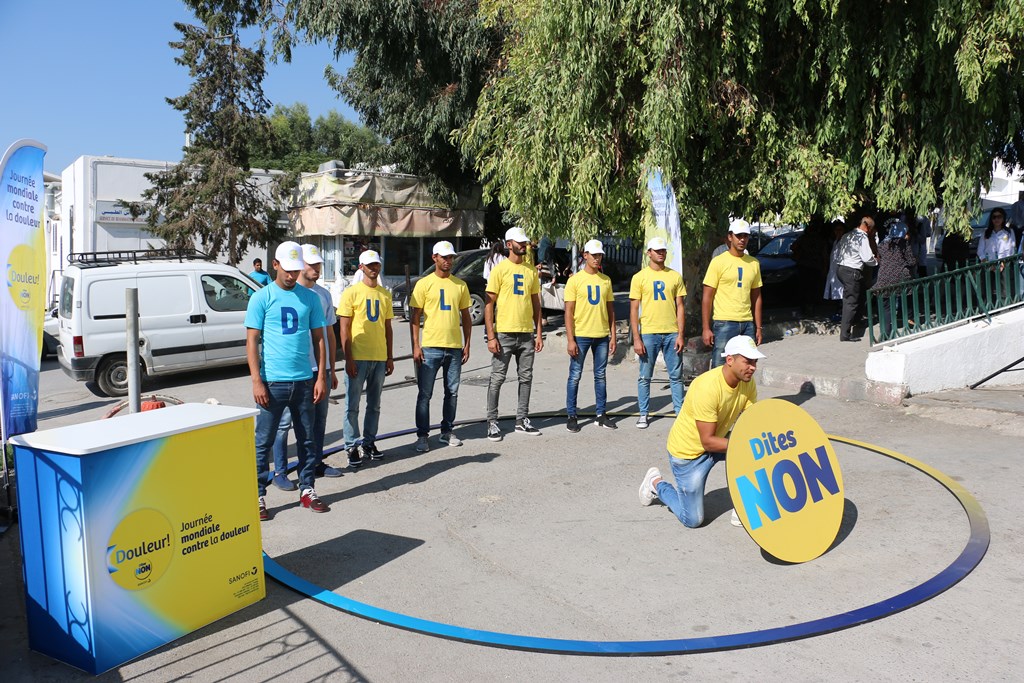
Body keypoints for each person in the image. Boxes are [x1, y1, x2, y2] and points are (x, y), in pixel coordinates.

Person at [638, 335, 764, 528]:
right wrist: (744, 444)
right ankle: (656, 484)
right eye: (747, 361)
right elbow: (707, 441)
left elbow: (752, 422)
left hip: (717, 441)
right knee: (693, 520)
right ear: (730, 360)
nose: (753, 367)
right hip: (688, 455)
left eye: (754, 361)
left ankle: (744, 507)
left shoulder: (747, 382)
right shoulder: (707, 387)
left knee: (758, 447)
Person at [245, 241, 329, 520]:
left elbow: (319, 339)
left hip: (304, 381)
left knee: (307, 439)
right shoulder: (261, 298)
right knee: (263, 440)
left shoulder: (310, 299)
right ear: (275, 265)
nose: (292, 276)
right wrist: (257, 381)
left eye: (296, 270)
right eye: (287, 270)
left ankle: (307, 489)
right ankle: (258, 494)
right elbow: (252, 341)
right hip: (272, 383)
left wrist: (321, 376)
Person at [270, 244, 343, 490]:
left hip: (318, 369)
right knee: (285, 423)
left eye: (318, 264)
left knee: (318, 420)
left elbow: (329, 335)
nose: (316, 268)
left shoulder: (322, 295)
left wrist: (330, 369)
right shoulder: (289, 292)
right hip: (295, 371)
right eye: (312, 264)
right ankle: (280, 470)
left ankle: (313, 463)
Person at [411, 240, 473, 452]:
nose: (448, 261)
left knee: (452, 392)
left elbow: (466, 316)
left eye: (451, 257)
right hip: (430, 346)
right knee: (425, 394)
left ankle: (447, 431)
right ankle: (422, 435)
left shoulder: (460, 285)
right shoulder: (424, 284)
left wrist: (467, 344)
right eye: (444, 257)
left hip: (454, 346)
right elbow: (415, 316)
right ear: (434, 258)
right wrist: (416, 346)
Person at [484, 226, 544, 441]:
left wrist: (538, 333)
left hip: (526, 333)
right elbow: (489, 304)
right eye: (520, 242)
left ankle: (522, 419)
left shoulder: (530, 271)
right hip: (504, 334)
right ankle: (492, 421)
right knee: (497, 378)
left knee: (526, 378)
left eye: (525, 242)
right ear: (509, 244)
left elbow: (536, 303)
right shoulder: (499, 270)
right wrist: (491, 335)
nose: (524, 245)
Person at [338, 249, 395, 467]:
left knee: (375, 405)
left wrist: (389, 357)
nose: (373, 268)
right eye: (369, 265)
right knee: (352, 404)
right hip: (358, 356)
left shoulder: (384, 294)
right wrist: (348, 358)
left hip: (379, 356)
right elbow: (344, 328)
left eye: (376, 264)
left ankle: (369, 442)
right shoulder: (351, 293)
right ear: (361, 267)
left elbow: (388, 328)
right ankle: (351, 445)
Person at [629, 236, 686, 429]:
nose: (661, 253)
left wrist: (680, 334)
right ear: (649, 252)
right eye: (657, 250)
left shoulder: (675, 276)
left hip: (671, 332)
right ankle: (643, 413)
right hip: (649, 333)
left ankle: (680, 412)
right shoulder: (639, 277)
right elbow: (634, 309)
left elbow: (680, 307)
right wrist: (636, 338)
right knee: (645, 376)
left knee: (676, 375)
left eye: (663, 250)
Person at [564, 239, 617, 432]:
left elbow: (611, 310)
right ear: (585, 255)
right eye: (593, 255)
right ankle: (571, 415)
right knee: (575, 375)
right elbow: (568, 312)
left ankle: (601, 414)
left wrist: (613, 335)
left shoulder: (606, 280)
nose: (597, 258)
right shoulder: (575, 280)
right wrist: (570, 340)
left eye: (599, 255)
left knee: (600, 375)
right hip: (581, 335)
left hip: (602, 335)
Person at [702, 223, 763, 366]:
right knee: (720, 367)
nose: (742, 240)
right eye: (738, 236)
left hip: (747, 323)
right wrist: (706, 328)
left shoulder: (754, 263)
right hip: (724, 322)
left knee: (747, 366)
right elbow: (707, 297)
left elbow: (757, 297)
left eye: (745, 236)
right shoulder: (718, 262)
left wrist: (758, 327)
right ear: (730, 237)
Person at [835, 215, 878, 342]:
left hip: (841, 269)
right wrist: (875, 261)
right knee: (851, 302)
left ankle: (854, 321)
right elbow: (867, 258)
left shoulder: (847, 235)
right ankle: (845, 334)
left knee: (854, 297)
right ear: (868, 227)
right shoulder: (862, 237)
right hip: (851, 270)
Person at [872, 223, 917, 337]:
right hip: (901, 278)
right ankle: (909, 320)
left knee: (886, 306)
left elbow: (879, 259)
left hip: (884, 278)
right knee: (907, 296)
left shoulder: (882, 244)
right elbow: (912, 261)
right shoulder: (904, 244)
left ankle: (886, 333)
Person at [823, 221, 846, 322]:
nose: (838, 232)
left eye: (840, 230)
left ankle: (842, 315)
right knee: (836, 296)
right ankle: (838, 313)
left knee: (842, 296)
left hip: (841, 273)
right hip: (833, 273)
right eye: (836, 230)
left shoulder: (845, 242)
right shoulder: (835, 241)